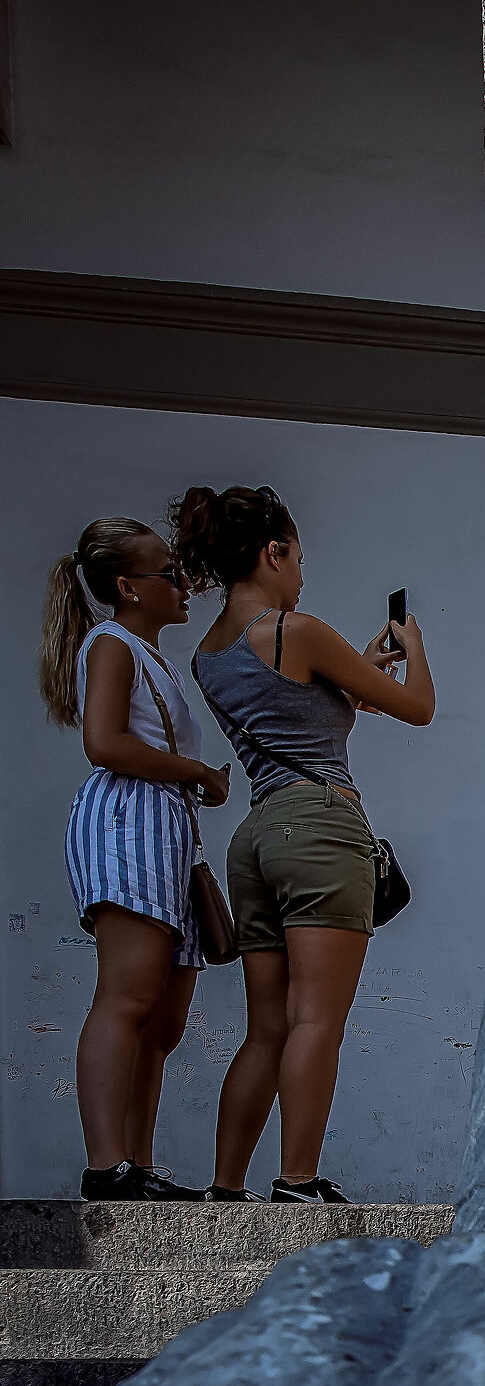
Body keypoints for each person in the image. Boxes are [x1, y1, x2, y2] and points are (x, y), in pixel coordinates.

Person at [173, 485, 435, 1203]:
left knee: (267, 1027)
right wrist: (412, 652)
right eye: (298, 559)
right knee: (317, 1018)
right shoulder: (295, 628)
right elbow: (418, 708)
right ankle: (296, 1180)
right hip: (319, 826)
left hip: (257, 838)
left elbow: (294, 710)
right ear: (273, 551)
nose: (301, 576)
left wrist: (357, 668)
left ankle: (226, 1187)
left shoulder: (209, 655)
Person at [40, 517, 232, 1201]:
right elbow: (104, 741)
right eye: (168, 574)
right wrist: (196, 771)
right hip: (129, 822)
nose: (183, 584)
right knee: (129, 993)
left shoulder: (149, 654)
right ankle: (106, 1163)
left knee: (163, 1015)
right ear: (128, 587)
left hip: (165, 828)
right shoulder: (113, 643)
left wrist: (188, 780)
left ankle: (137, 1164)